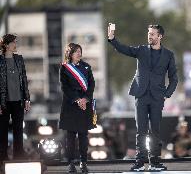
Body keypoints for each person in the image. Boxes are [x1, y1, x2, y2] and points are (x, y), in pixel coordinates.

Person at [108, 24, 178, 171]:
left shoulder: (168, 55)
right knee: (141, 130)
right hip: (140, 95)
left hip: (157, 97)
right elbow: (124, 49)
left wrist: (166, 94)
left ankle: (155, 162)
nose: (150, 36)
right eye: (149, 33)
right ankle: (140, 162)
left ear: (160, 36)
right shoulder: (141, 50)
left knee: (155, 131)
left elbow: (174, 78)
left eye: (153, 34)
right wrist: (112, 39)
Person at [59, 43, 95, 173]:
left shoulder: (87, 67)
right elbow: (65, 88)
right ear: (70, 53)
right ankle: (71, 163)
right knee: (70, 137)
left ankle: (83, 162)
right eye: (76, 51)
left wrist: (85, 99)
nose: (79, 53)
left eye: (80, 51)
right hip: (71, 106)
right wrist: (77, 99)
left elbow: (91, 85)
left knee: (83, 136)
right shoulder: (64, 68)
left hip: (85, 105)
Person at [0, 34, 31, 167]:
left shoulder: (19, 59)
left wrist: (27, 99)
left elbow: (24, 80)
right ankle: (2, 156)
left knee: (18, 129)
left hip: (18, 101)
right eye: (13, 42)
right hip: (4, 102)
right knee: (2, 130)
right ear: (6, 45)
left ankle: (19, 154)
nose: (15, 44)